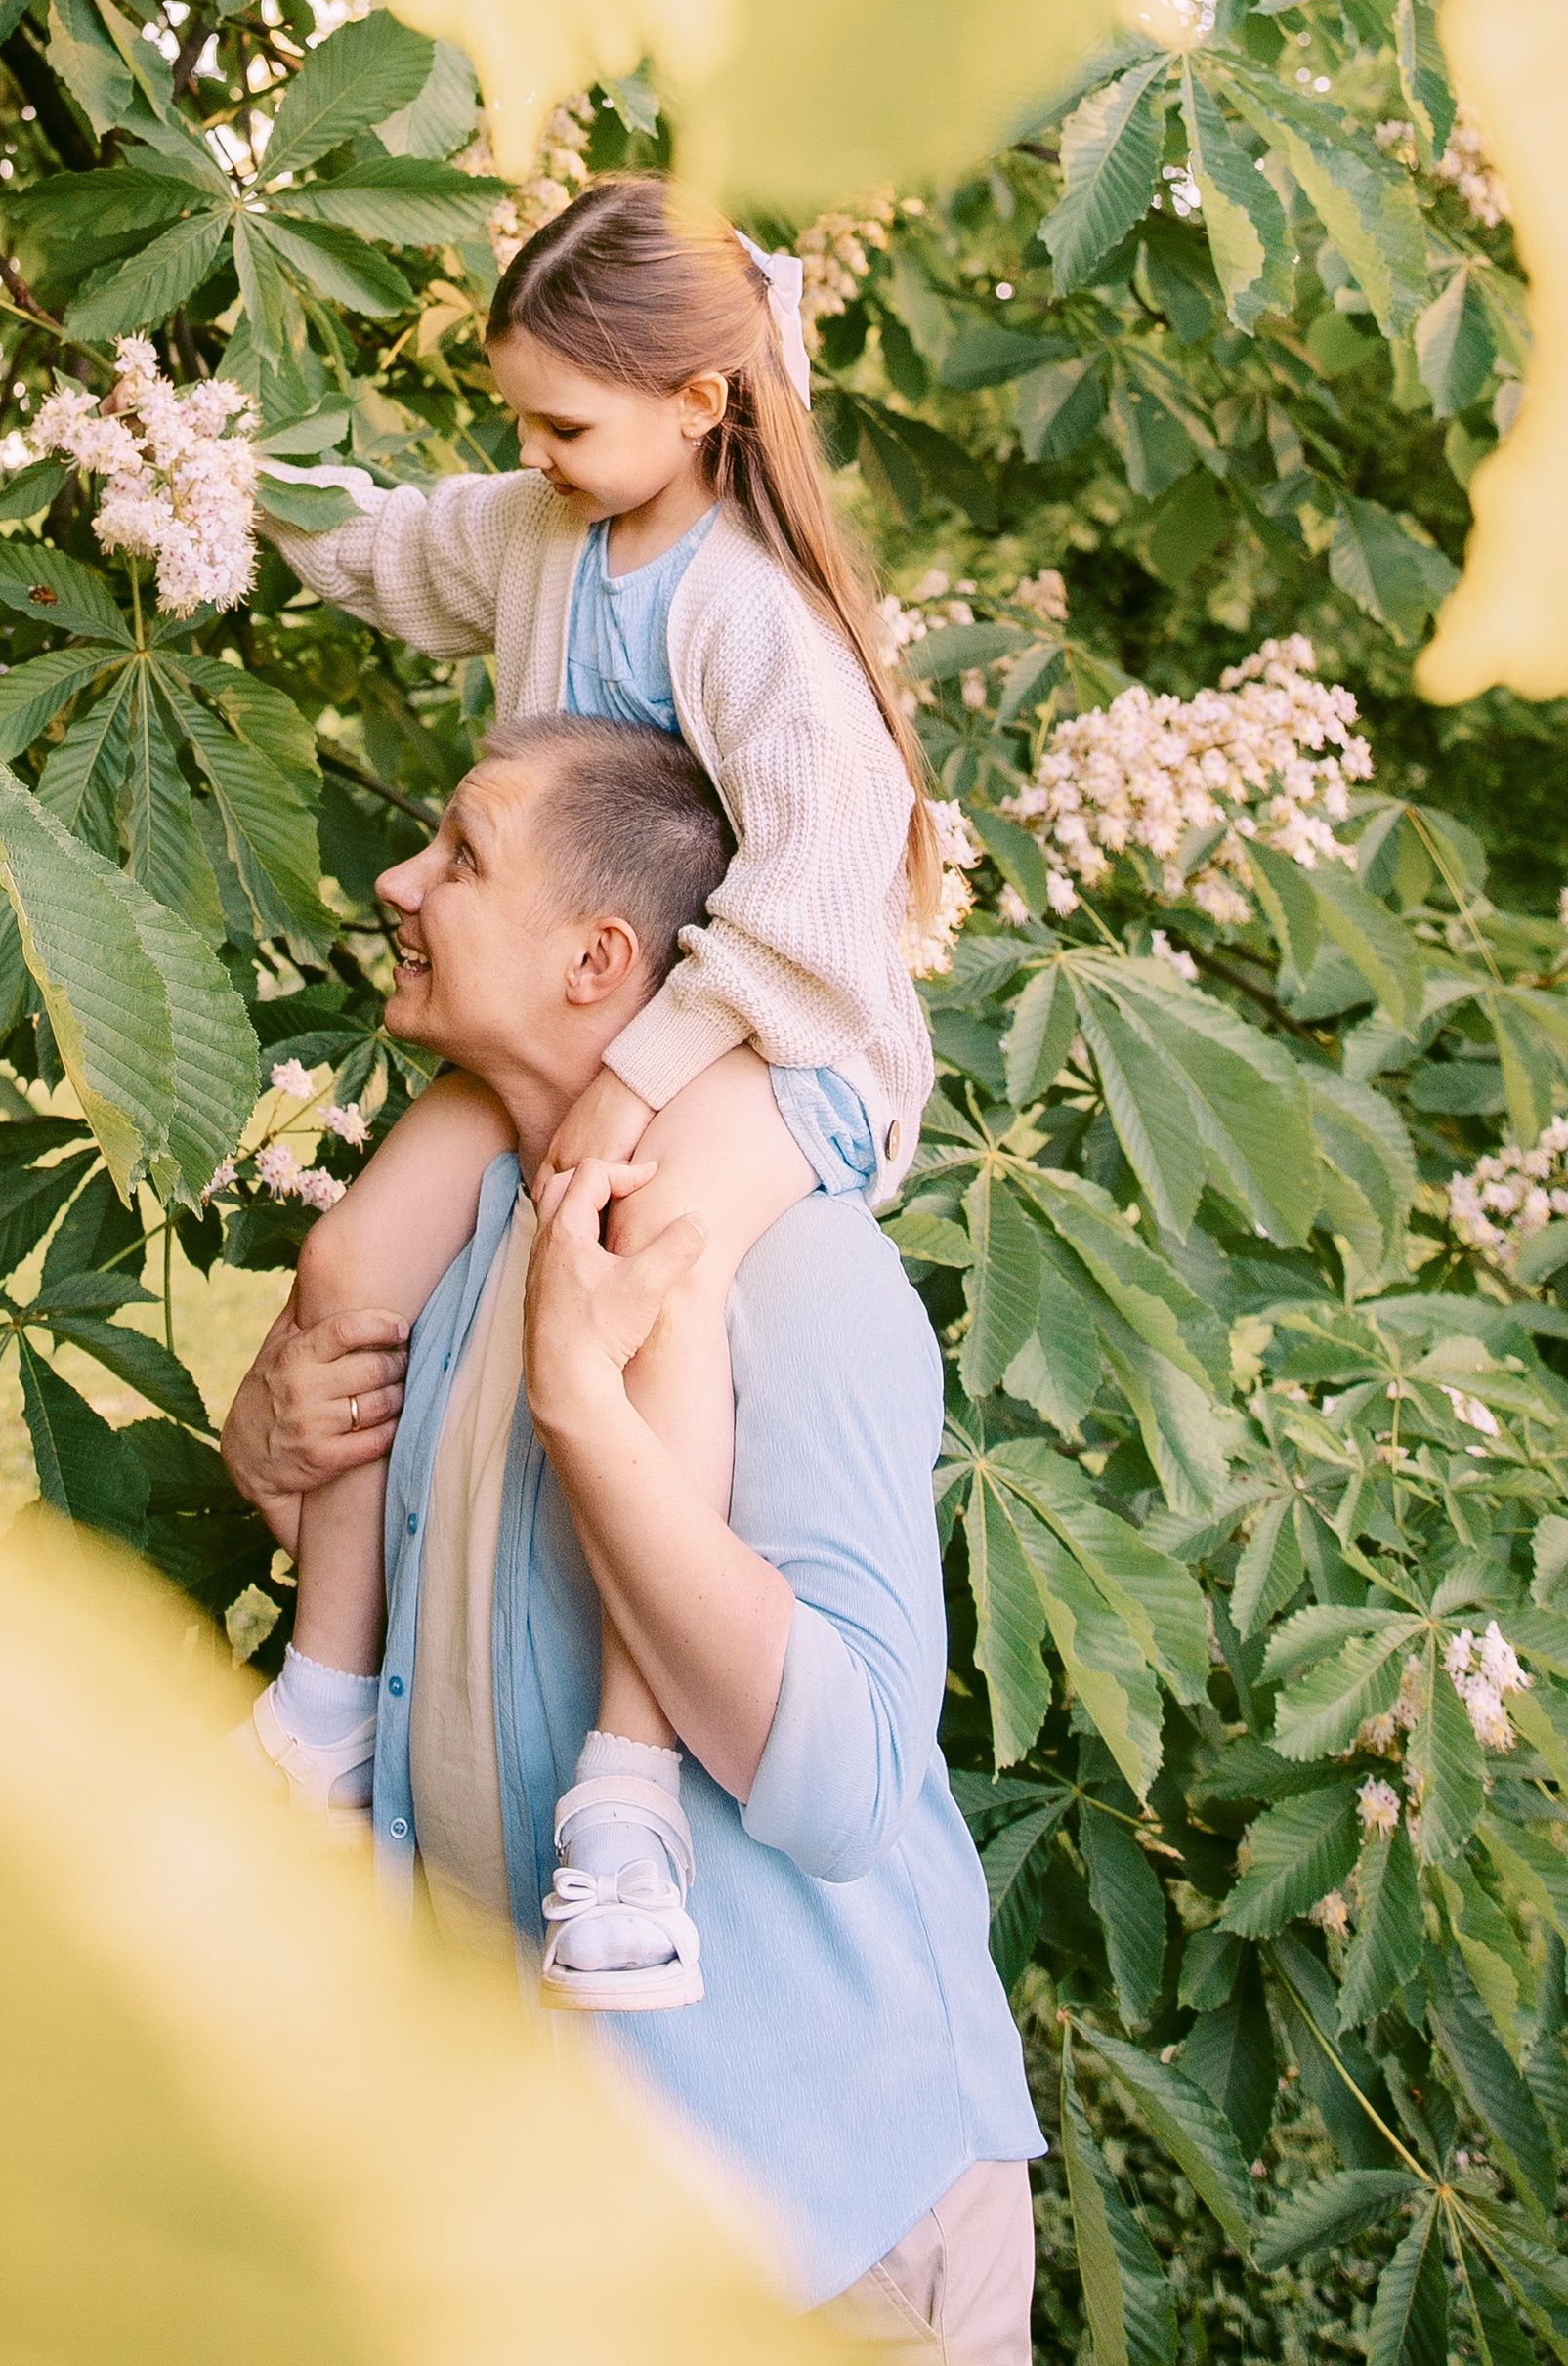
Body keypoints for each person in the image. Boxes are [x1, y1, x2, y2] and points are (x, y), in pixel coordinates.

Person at [223, 714, 1042, 2354]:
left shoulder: (795, 1282)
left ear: (600, 956)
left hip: (811, 2232)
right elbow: (415, 1606)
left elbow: (846, 1780)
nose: (400, 880)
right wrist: (267, 1442)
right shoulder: (466, 1238)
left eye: (459, 854)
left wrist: (591, 1414)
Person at [244, 173, 939, 2010]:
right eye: (519, 418)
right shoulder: (550, 533)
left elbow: (815, 905)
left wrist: (630, 1089)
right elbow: (394, 548)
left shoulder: (754, 617)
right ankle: (322, 1708)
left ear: (700, 404)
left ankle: (627, 1793)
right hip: (595, 1025)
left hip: (778, 1040)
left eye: (566, 421)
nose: (535, 453)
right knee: (363, 1254)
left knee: (651, 1270)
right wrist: (213, 467)